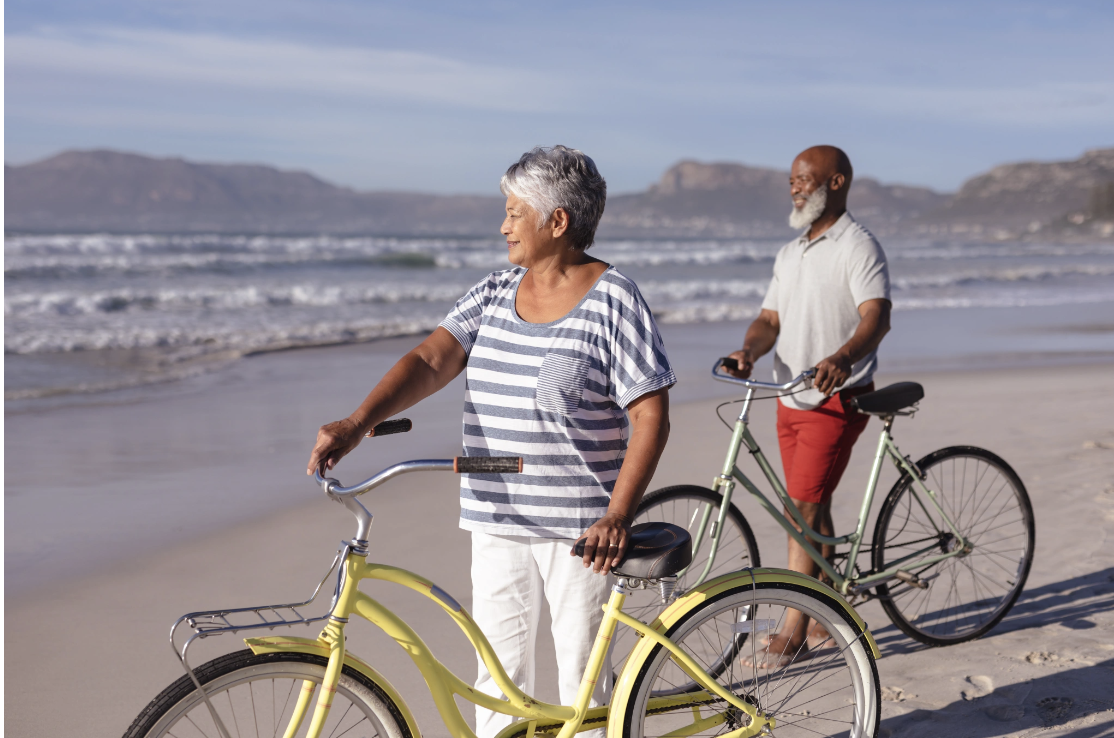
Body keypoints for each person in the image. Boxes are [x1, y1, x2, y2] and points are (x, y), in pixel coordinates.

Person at [306, 145, 675, 737]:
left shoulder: (614, 300)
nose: (503, 225)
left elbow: (650, 415)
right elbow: (431, 358)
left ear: (558, 222)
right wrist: (357, 421)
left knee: (583, 686)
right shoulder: (494, 292)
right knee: (496, 676)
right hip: (495, 516)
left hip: (578, 529)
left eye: (513, 212)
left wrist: (617, 515)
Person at [724, 145, 891, 667]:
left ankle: (794, 627)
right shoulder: (790, 252)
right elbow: (769, 320)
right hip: (788, 394)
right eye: (792, 179)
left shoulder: (858, 246)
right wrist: (748, 350)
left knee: (803, 506)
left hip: (837, 396)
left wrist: (843, 356)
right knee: (811, 501)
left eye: (804, 179)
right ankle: (827, 610)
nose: (794, 187)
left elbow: (876, 317)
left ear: (836, 182)